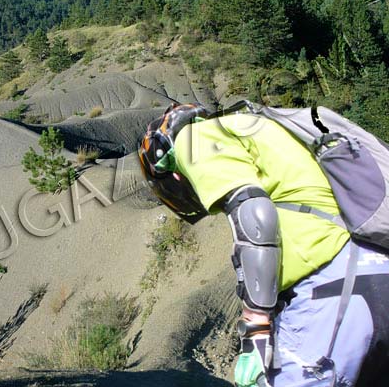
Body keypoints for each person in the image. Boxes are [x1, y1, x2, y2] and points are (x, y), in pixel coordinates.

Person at [138, 103, 389, 387]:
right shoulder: (259, 128)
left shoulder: (194, 139)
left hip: (334, 290)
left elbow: (253, 213)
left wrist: (257, 322)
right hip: (375, 269)